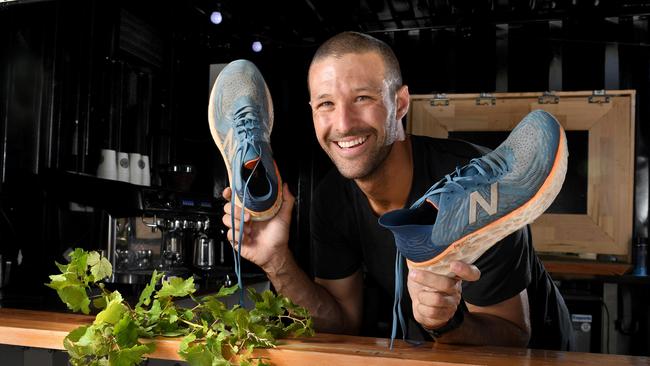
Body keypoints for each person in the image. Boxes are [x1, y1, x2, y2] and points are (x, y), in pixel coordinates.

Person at [221, 31, 573, 350]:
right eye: (326, 104)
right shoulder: (331, 199)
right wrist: (275, 259)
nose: (343, 124)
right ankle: (422, 230)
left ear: (400, 104)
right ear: (312, 113)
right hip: (431, 351)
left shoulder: (480, 190)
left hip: (545, 355)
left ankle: (430, 222)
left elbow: (513, 335)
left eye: (362, 98)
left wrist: (448, 322)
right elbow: (341, 320)